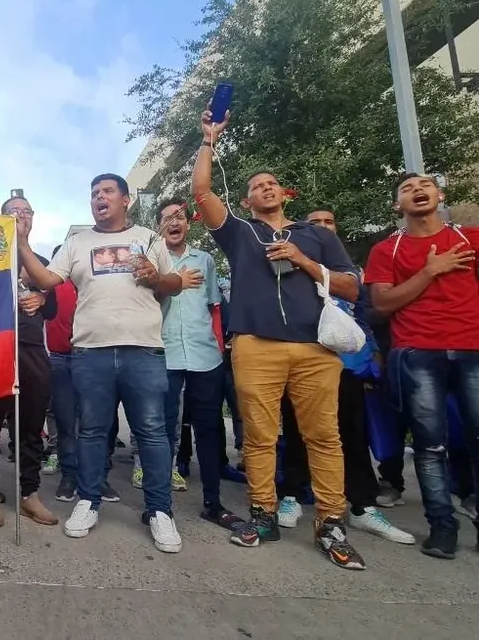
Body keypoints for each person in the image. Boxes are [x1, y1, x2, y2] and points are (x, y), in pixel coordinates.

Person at [191, 105, 366, 570]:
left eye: (271, 183)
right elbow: (202, 190)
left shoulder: (315, 235)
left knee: (323, 437)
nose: (265, 188)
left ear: (283, 193)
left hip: (315, 348)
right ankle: (263, 515)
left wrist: (306, 262)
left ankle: (330, 524)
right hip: (256, 345)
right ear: (247, 202)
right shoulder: (239, 233)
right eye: (255, 187)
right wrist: (210, 139)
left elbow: (351, 285)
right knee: (260, 437)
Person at [18, 173, 184, 553]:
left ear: (126, 200)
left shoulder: (149, 237)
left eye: (107, 191)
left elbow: (173, 284)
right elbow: (45, 278)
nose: (99, 197)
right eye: (94, 193)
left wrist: (157, 276)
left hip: (143, 349)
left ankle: (160, 511)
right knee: (91, 430)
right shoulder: (77, 243)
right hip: (90, 352)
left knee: (153, 432)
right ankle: (88, 501)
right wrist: (24, 241)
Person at [364, 172, 479, 559]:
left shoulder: (468, 239)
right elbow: (381, 305)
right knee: (431, 445)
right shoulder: (387, 250)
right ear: (398, 205)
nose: (417, 191)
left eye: (425, 186)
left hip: (472, 348)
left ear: (439, 194)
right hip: (417, 351)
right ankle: (442, 527)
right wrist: (431, 270)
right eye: (407, 189)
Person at [303, 209, 414, 545]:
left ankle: (362, 507)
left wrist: (374, 356)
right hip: (304, 361)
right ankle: (292, 497)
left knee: (352, 435)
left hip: (349, 366)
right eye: (315, 224)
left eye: (329, 222)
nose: (323, 228)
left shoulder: (350, 271)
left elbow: (364, 314)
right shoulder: (290, 261)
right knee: (299, 434)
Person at [155, 197, 243, 532]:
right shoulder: (152, 260)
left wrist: (222, 348)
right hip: (164, 353)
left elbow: (213, 307)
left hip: (205, 356)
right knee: (162, 429)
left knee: (209, 427)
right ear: (159, 225)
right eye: (166, 218)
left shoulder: (204, 260)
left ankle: (213, 502)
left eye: (179, 216)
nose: (173, 222)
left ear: (188, 222)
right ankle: (159, 504)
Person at [0, 194, 58, 528]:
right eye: (13, 212)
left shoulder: (38, 261)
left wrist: (39, 294)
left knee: (31, 425)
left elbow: (52, 309)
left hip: (33, 349)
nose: (21, 216)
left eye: (26, 211)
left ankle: (30, 493)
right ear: (2, 218)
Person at [45, 244, 80, 502]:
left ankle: (96, 479)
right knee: (65, 422)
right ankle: (69, 476)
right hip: (57, 359)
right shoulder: (48, 286)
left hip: (89, 357)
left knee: (95, 423)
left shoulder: (88, 283)